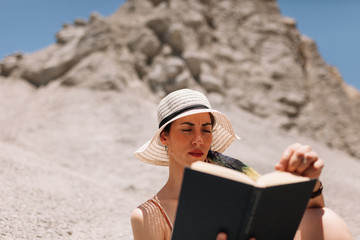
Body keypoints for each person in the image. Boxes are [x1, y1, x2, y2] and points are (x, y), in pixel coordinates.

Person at [131, 89, 352, 240]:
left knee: (324, 218)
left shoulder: (238, 185)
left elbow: (314, 212)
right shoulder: (150, 214)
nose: (199, 139)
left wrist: (310, 183)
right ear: (164, 137)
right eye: (187, 129)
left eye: (206, 129)